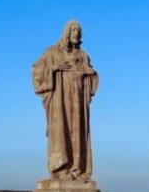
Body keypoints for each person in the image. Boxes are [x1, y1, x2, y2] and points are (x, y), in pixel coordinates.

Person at [32, 20, 99, 180]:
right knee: (61, 130)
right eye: (74, 30)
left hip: (78, 100)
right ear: (67, 32)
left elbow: (93, 78)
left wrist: (90, 72)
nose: (77, 33)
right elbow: (36, 71)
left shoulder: (82, 55)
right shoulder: (52, 52)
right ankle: (61, 169)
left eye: (79, 31)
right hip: (59, 99)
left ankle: (77, 169)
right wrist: (54, 69)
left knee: (78, 132)